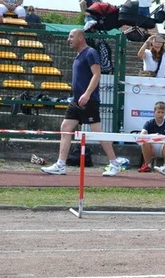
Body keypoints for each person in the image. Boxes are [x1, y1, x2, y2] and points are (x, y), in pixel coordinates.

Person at [40, 29, 129, 176]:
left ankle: (114, 163)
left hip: (89, 100)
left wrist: (87, 94)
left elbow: (97, 74)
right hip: (76, 101)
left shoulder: (90, 53)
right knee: (65, 127)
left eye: (71, 36)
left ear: (81, 37)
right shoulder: (78, 56)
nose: (69, 39)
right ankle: (61, 164)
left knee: (97, 132)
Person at [137, 101, 165, 172]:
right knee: (144, 142)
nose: (160, 114)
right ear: (154, 112)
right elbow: (142, 135)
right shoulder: (149, 123)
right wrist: (154, 136)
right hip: (152, 149)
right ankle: (148, 165)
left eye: (162, 112)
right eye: (158, 112)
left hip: (163, 148)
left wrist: (158, 137)